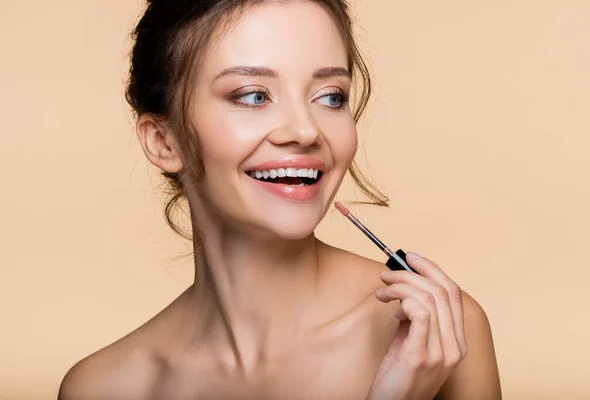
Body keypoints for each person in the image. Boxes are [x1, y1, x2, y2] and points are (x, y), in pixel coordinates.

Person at [58, 0, 501, 399]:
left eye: (330, 97)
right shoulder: (104, 386)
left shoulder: (436, 337)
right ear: (163, 140)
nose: (306, 131)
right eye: (253, 96)